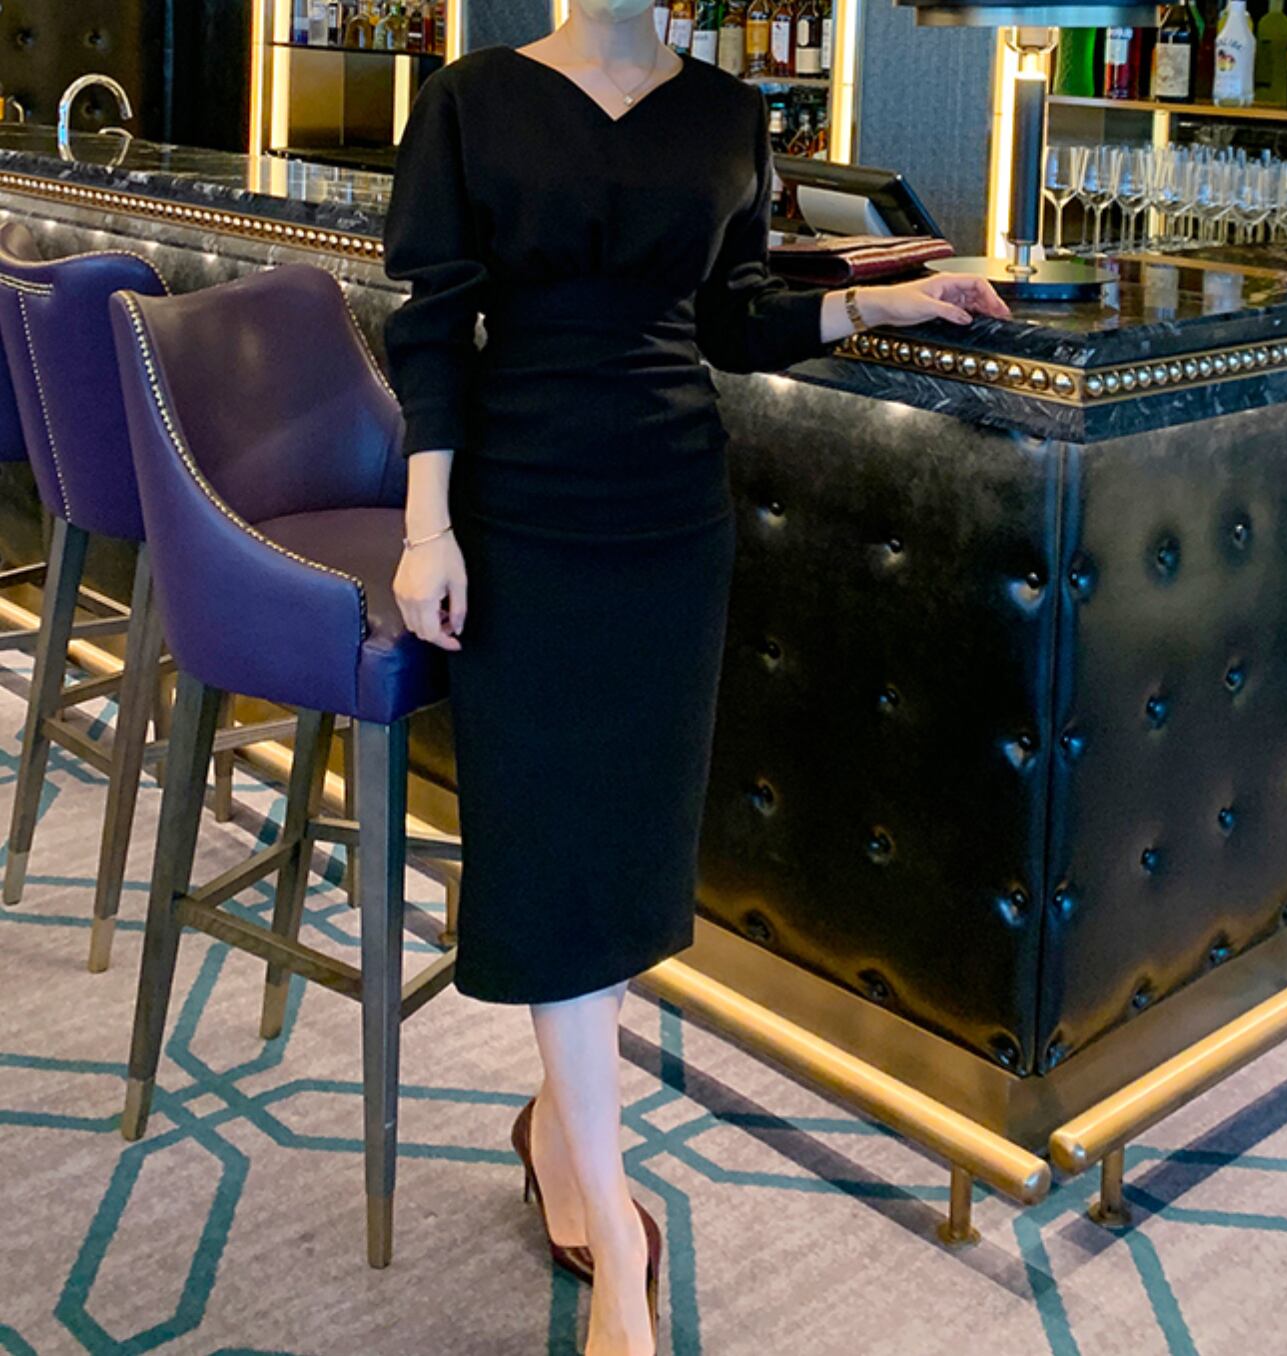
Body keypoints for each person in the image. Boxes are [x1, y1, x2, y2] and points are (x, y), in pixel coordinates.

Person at [380, 3, 1010, 1351]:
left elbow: (731, 319)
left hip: (673, 511)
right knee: (551, 845)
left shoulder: (731, 113)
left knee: (627, 845)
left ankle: (559, 1133)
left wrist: (883, 300)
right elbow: (431, 324)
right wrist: (427, 528)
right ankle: (614, 1229)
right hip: (520, 508)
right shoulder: (470, 97)